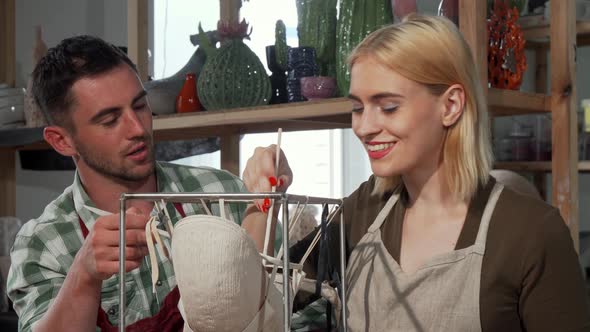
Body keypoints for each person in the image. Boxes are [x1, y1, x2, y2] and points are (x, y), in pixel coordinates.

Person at [243, 14, 590, 331]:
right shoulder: (363, 211)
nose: (364, 127)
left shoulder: (530, 234)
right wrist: (259, 201)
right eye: (357, 108)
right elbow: (254, 305)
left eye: (388, 107)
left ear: (450, 106)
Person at [7, 35, 275, 332]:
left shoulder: (222, 194)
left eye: (140, 106)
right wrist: (84, 276)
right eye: (109, 120)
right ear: (62, 140)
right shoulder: (44, 244)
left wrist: (265, 199)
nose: (137, 129)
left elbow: (295, 309)